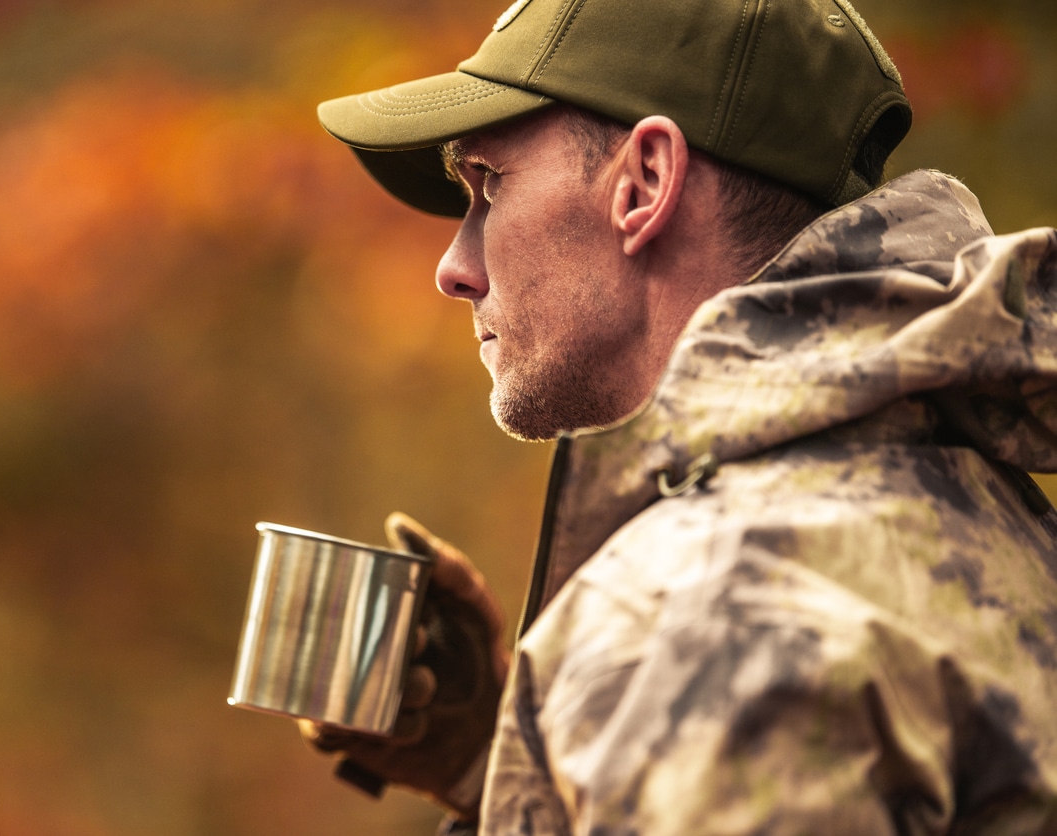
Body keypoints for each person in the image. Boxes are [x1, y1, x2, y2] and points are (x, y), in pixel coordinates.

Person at [302, 0, 1057, 832]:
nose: (454, 268)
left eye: (490, 186)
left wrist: (637, 685)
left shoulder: (705, 614)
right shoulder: (981, 503)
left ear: (647, 182)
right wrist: (515, 764)